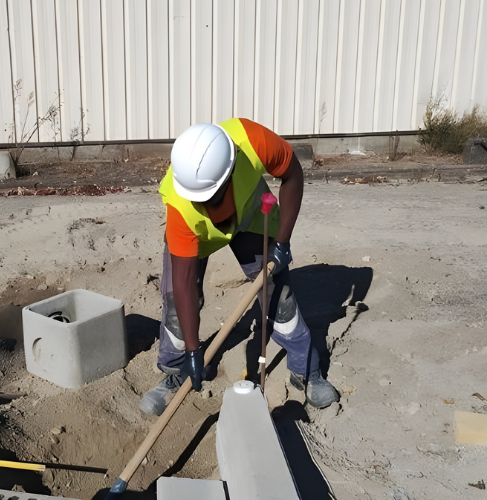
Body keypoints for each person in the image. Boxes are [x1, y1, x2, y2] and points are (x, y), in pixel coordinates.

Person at [139, 119, 339, 416]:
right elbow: (182, 286)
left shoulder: (252, 141)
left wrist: (282, 241)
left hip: (250, 215)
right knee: (175, 304)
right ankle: (177, 371)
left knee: (278, 295)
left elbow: (292, 173)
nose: (208, 205)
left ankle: (305, 370)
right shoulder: (180, 205)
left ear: (230, 172)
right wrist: (194, 350)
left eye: (213, 198)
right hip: (198, 237)